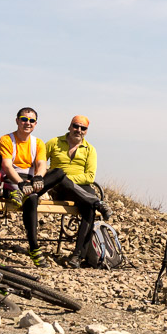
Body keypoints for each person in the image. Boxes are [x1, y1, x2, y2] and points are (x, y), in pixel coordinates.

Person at [0, 107, 66, 268]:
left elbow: (42, 164)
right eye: (24, 119)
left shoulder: (38, 143)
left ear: (35, 124)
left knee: (59, 173)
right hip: (12, 181)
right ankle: (34, 248)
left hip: (31, 181)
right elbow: (7, 166)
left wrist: (38, 178)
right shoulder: (6, 140)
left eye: (31, 120)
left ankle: (24, 193)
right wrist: (20, 183)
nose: (28, 123)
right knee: (33, 198)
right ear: (17, 121)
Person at [45, 115, 111, 268]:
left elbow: (89, 176)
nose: (79, 130)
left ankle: (77, 256)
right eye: (76, 126)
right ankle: (96, 202)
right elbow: (40, 163)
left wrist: (68, 179)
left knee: (89, 210)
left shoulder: (90, 150)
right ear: (69, 126)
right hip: (57, 187)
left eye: (83, 128)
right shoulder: (54, 142)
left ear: (86, 131)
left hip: (80, 188)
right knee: (60, 176)